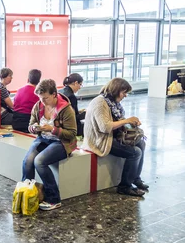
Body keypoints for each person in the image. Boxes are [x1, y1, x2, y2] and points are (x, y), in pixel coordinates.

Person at [83, 78, 148, 197]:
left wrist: (129, 123)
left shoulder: (111, 102)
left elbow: (116, 122)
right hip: (100, 140)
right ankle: (124, 186)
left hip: (110, 136)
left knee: (141, 143)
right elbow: (105, 127)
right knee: (135, 152)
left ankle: (135, 178)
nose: (125, 95)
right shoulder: (100, 103)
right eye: (124, 92)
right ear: (116, 90)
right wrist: (127, 121)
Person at [22, 79, 77, 211]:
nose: (42, 101)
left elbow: (72, 134)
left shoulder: (66, 109)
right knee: (27, 161)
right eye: (40, 98)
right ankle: (27, 193)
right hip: (44, 139)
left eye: (45, 98)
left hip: (61, 142)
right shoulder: (38, 106)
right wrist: (34, 128)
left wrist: (52, 129)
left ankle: (54, 198)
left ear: (54, 94)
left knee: (39, 161)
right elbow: (30, 124)